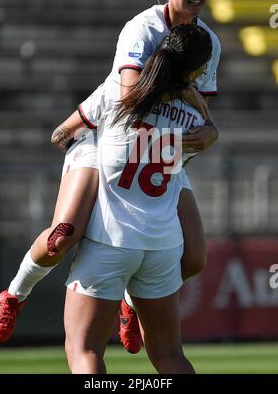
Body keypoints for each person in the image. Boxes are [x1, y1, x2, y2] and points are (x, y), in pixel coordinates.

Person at [0, 0, 220, 345]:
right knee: (64, 236)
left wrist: (210, 131)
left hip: (157, 144)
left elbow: (202, 108)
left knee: (195, 258)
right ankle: (14, 294)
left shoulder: (208, 41)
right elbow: (129, 96)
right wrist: (182, 93)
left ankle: (132, 297)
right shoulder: (143, 28)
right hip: (106, 136)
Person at [64, 23, 213, 374]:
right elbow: (185, 157)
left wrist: (84, 154)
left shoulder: (118, 91)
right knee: (170, 356)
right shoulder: (196, 118)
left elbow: (63, 133)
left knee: (84, 350)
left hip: (110, 240)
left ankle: (16, 293)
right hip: (162, 247)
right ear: (193, 73)